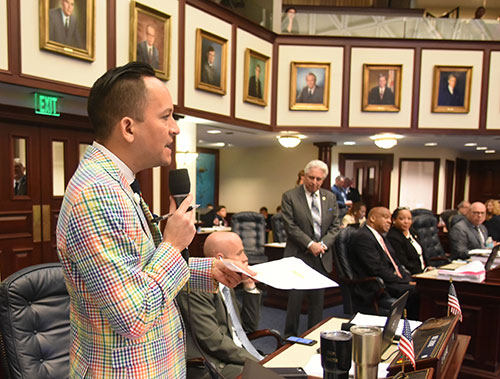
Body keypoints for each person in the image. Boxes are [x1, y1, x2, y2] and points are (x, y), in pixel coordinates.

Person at [56, 62, 252, 378]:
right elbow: (133, 316)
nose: (175, 128)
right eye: (166, 116)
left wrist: (211, 269)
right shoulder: (96, 194)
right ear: (128, 127)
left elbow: (143, 269)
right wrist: (173, 244)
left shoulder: (120, 182)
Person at [177, 232, 263, 379]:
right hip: (216, 365)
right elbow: (213, 341)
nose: (246, 258)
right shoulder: (197, 287)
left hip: (236, 355)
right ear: (221, 259)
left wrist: (249, 286)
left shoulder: (226, 284)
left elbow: (248, 327)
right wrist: (259, 362)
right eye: (240, 253)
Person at [281, 160, 340, 337]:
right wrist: (310, 244)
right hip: (299, 256)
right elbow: (290, 226)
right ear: (304, 176)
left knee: (317, 302)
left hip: (321, 256)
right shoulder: (290, 196)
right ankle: (289, 338)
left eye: (319, 179)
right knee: (295, 302)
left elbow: (335, 226)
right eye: (311, 177)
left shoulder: (330, 197)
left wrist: (322, 245)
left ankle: (313, 336)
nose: (314, 182)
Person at [348, 207, 419, 319]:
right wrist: (403, 282)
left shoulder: (380, 237)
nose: (390, 221)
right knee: (420, 292)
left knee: (422, 288)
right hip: (376, 286)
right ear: (372, 218)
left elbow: (395, 262)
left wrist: (407, 279)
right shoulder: (363, 237)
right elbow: (376, 269)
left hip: (390, 281)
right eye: (385, 217)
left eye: (390, 218)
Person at [387, 207, 429, 275]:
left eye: (409, 219)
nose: (406, 222)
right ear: (394, 220)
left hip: (424, 271)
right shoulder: (393, 237)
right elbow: (404, 263)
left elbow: (423, 252)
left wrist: (428, 267)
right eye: (402, 219)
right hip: (412, 274)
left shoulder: (413, 232)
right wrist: (423, 271)